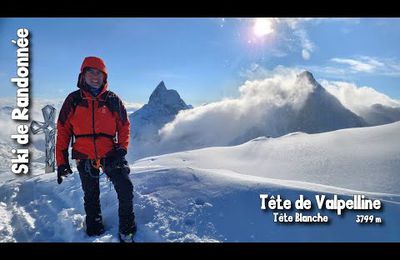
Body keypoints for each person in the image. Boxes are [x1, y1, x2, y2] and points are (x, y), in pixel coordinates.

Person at [55, 56, 136, 243]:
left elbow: (124, 125)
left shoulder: (112, 99)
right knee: (91, 195)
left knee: (125, 187)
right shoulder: (73, 100)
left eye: (98, 72)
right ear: (82, 75)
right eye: (90, 72)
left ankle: (127, 227)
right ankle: (94, 227)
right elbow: (63, 130)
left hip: (111, 153)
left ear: (104, 76)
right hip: (84, 155)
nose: (94, 76)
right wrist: (62, 162)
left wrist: (122, 149)